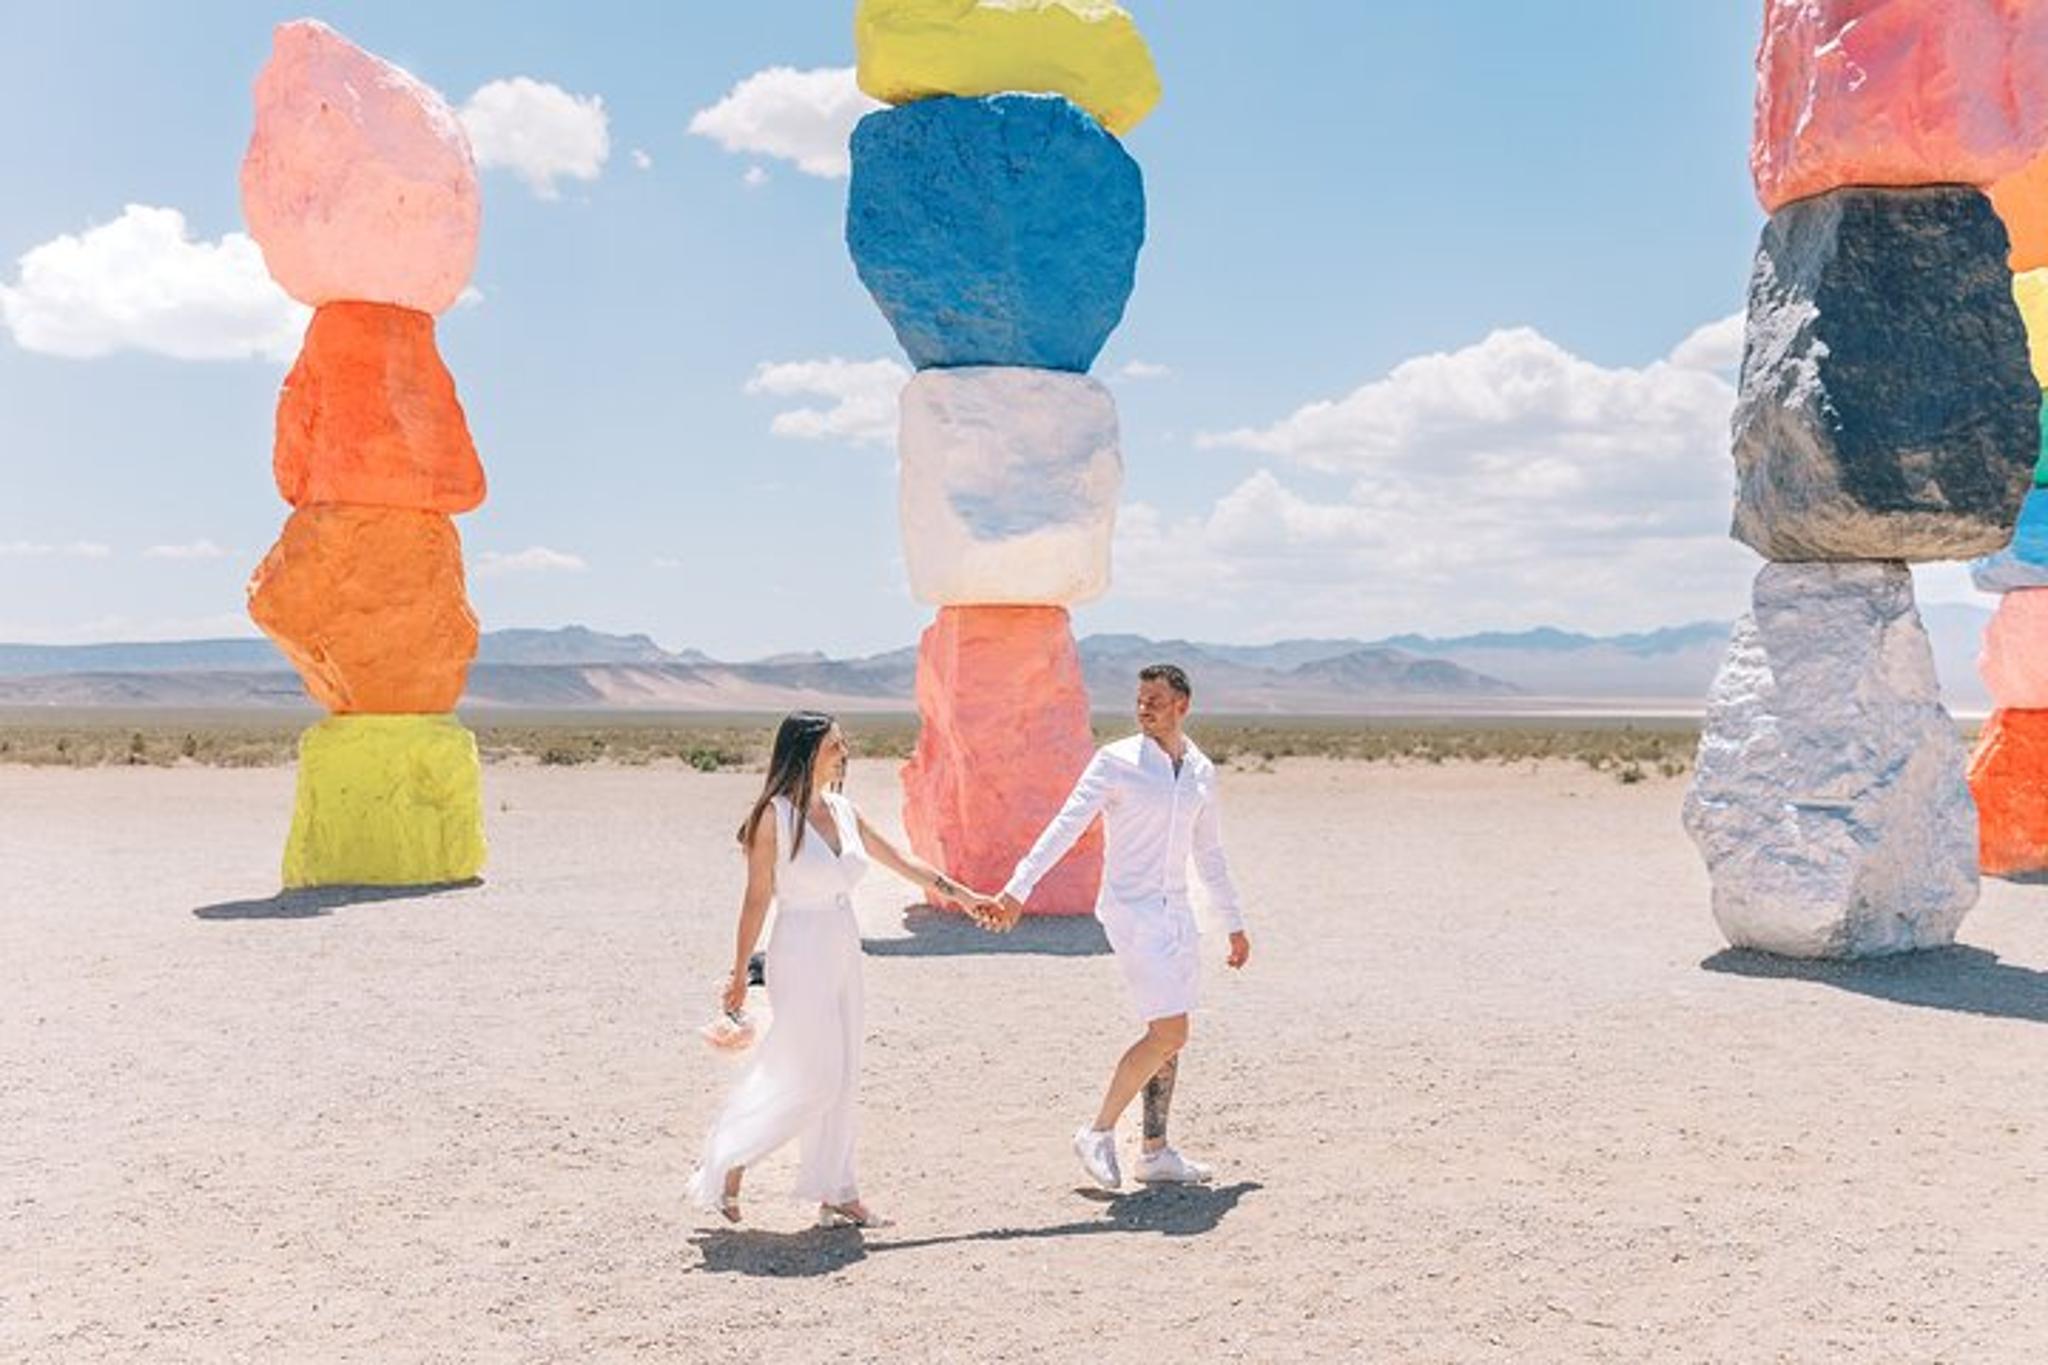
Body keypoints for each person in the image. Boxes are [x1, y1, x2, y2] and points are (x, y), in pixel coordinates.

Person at [686, 710, 997, 1227]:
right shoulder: (774, 818)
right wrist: (740, 973)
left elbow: (901, 860)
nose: (844, 753)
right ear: (806, 753)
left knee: (845, 1069)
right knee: (815, 1073)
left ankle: (838, 1189)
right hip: (799, 948)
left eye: (844, 745)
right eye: (834, 746)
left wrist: (962, 896)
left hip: (842, 948)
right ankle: (732, 1159)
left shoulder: (844, 811)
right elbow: (756, 899)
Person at [994, 663, 1250, 1189]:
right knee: (1170, 1029)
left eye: (1155, 698)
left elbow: (1210, 853)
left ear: (1183, 704)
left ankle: (1155, 1153)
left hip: (1177, 914)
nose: (1143, 707)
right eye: (1139, 699)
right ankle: (1098, 1130)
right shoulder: (1116, 762)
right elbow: (1066, 824)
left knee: (1169, 1033)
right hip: (1132, 912)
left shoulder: (1200, 769)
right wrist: (1020, 886)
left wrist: (1235, 923)